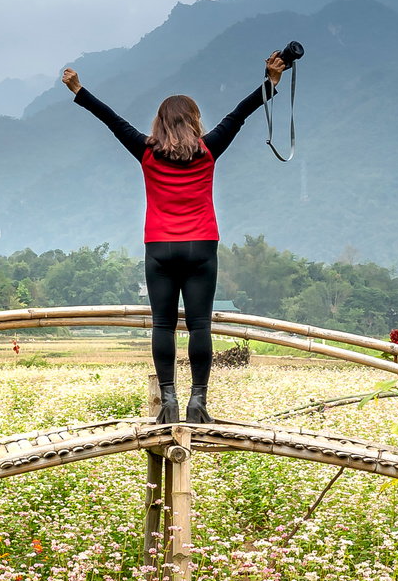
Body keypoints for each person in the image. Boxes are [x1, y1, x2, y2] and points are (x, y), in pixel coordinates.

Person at [63, 52, 286, 422]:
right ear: (195, 120)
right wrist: (271, 82)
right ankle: (198, 402)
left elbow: (112, 120)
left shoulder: (146, 150)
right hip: (201, 246)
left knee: (164, 325)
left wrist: (78, 89)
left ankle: (168, 400)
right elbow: (239, 114)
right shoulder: (208, 149)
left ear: (160, 122)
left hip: (160, 248)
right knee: (200, 326)